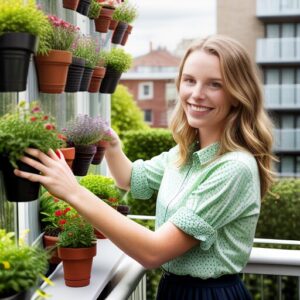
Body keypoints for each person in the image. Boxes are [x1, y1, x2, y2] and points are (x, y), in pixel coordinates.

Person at [15, 35, 276, 300]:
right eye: (189, 80)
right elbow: (131, 178)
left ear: (237, 94)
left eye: (215, 84)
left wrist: (72, 191)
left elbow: (153, 252)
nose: (196, 94)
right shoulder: (185, 153)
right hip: (175, 289)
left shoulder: (234, 168)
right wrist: (112, 146)